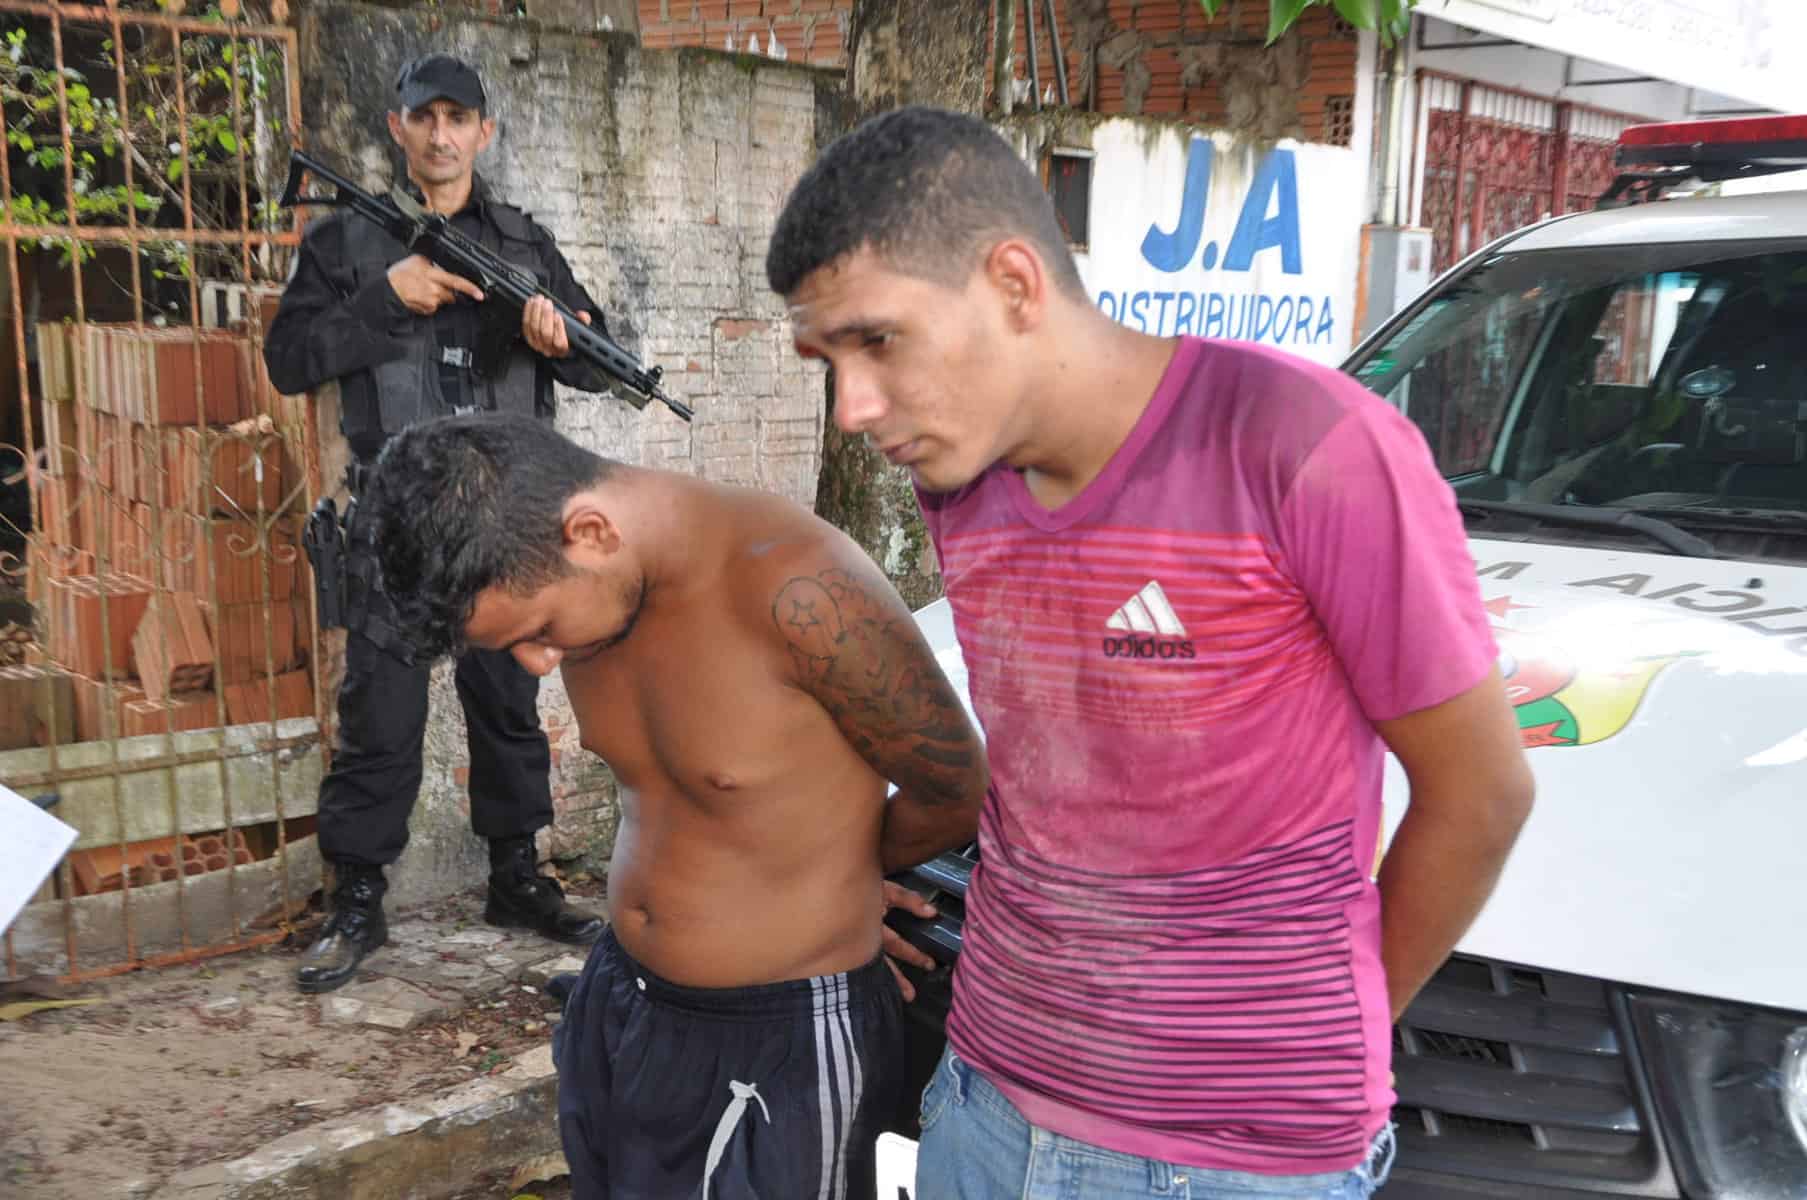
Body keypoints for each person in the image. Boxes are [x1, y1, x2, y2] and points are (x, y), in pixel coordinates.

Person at [767, 106, 1537, 1199]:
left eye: (878, 340)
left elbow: (1482, 794)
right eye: (825, 360)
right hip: (984, 1102)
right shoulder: (958, 482)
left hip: (1230, 1161)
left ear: (1016, 286)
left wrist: (1313, 1038)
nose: (853, 407)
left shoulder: (1305, 446)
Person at [358, 412, 989, 1199]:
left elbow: (957, 787)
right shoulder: (595, 591)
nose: (538, 661)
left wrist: (841, 877)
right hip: (624, 1002)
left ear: (589, 531)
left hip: (780, 1041)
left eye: (541, 630)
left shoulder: (796, 586)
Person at [264, 52, 620, 994]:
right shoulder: (345, 244)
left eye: (458, 118)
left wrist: (560, 334)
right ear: (398, 128)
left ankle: (515, 878)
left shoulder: (523, 242)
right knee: (380, 711)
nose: (440, 134)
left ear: (483, 133)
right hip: (394, 512)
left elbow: (596, 359)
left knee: (506, 703)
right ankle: (358, 898)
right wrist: (389, 297)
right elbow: (290, 359)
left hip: (508, 513)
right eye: (424, 118)